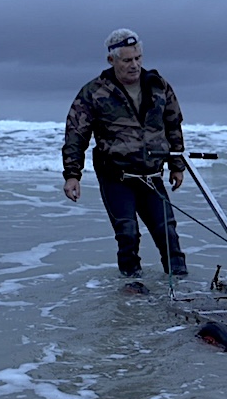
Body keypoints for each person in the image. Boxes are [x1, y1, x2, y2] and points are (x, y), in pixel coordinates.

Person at [61, 28, 187, 278]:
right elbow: (76, 134)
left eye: (138, 58)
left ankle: (181, 285)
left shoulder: (158, 85)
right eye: (128, 60)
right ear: (112, 60)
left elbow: (173, 124)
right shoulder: (94, 92)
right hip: (116, 176)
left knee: (168, 232)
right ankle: (131, 286)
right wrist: (72, 175)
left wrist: (176, 164)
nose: (135, 65)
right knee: (128, 234)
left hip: (152, 174)